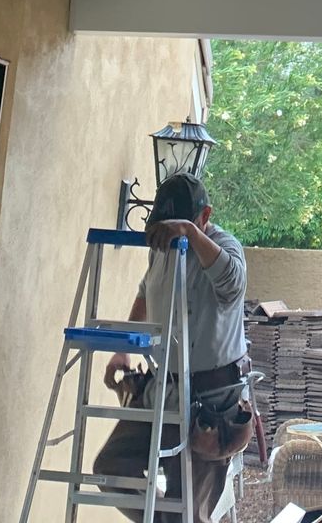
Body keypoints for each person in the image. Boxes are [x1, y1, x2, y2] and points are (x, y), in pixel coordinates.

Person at [94, 172, 249, 523]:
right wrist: (124, 347)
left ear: (205, 216)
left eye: (176, 225)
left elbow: (232, 282)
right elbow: (145, 292)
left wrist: (190, 234)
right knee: (110, 467)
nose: (167, 235)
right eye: (164, 226)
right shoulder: (162, 249)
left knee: (190, 510)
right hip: (162, 389)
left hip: (211, 402)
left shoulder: (226, 246)